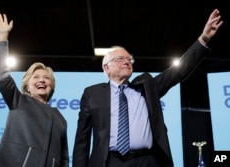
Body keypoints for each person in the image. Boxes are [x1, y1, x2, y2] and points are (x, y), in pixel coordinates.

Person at [72, 8, 223, 167]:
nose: (127, 61)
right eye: (120, 59)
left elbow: (178, 71)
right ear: (106, 68)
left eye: (129, 59)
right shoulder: (92, 93)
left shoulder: (146, 86)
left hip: (148, 161)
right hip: (110, 162)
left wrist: (203, 39)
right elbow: (82, 139)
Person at [0, 13, 69, 167]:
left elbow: (64, 160)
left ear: (52, 86)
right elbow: (1, 77)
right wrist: (3, 36)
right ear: (27, 85)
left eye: (46, 78)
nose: (42, 80)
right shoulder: (19, 100)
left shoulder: (61, 119)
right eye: (36, 77)